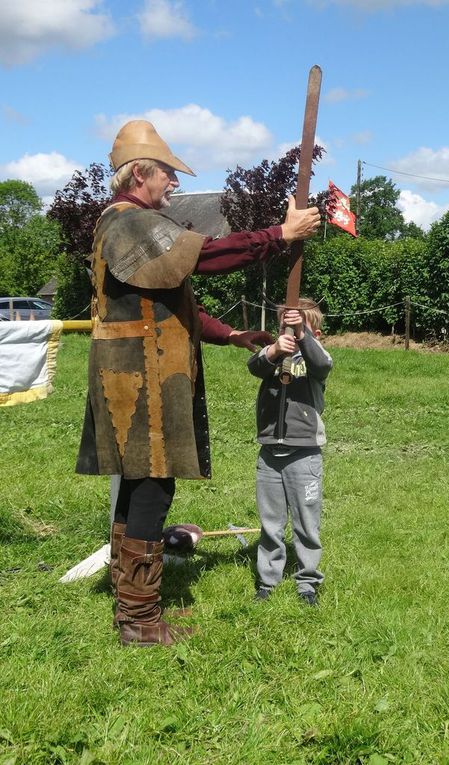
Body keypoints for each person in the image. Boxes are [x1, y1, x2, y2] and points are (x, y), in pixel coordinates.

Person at [75, 120, 320, 646]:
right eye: (166, 173)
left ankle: (132, 611)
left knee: (139, 486)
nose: (173, 183)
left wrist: (231, 335)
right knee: (151, 487)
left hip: (138, 373)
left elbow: (176, 304)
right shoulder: (129, 223)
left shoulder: (131, 225)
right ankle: (139, 622)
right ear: (140, 173)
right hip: (139, 377)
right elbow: (206, 256)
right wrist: (280, 236)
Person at [247, 298, 332, 606]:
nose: (290, 334)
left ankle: (308, 581)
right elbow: (254, 366)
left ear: (314, 335)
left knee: (306, 522)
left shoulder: (314, 360)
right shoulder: (272, 356)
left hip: (304, 455)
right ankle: (268, 581)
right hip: (270, 454)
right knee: (270, 522)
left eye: (297, 328)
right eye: (285, 327)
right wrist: (273, 350)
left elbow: (323, 363)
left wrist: (302, 336)